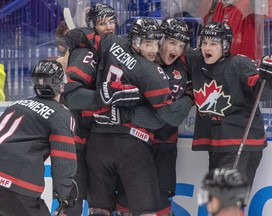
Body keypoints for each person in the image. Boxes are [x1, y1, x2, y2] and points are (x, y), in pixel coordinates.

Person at [85, 17, 190, 216]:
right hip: (133, 144)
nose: (176, 50)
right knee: (123, 204)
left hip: (160, 146)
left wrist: (189, 96)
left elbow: (169, 116)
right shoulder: (140, 63)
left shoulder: (176, 73)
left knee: (157, 205)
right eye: (172, 42)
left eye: (181, 45)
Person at [184, 22, 272, 193]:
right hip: (218, 144)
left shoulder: (239, 64)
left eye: (214, 44)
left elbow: (264, 92)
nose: (207, 47)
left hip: (241, 144)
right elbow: (174, 50)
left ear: (225, 47)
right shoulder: (197, 60)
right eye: (205, 42)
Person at [61, 3, 140, 216]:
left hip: (105, 139)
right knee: (76, 203)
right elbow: (72, 97)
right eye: (102, 23)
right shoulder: (86, 51)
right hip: (81, 139)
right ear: (92, 26)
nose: (109, 27)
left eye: (112, 21)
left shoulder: (119, 48)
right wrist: (108, 98)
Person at [0, 60, 78, 216]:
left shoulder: (16, 104)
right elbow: (64, 160)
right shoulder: (61, 114)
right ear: (61, 85)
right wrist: (65, 195)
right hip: (18, 182)